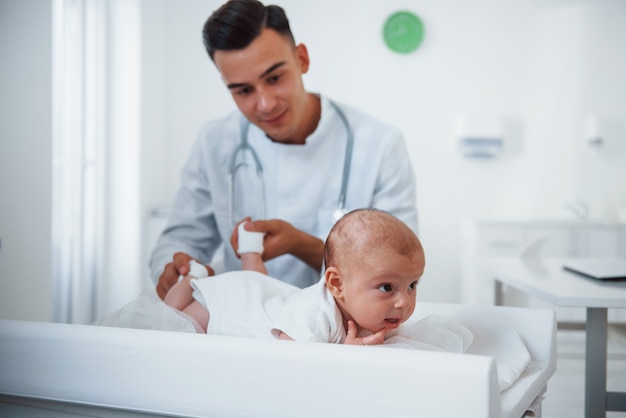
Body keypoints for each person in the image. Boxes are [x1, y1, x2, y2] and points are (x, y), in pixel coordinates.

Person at [150, 0, 418, 300]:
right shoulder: (215, 141)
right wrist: (178, 266)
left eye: (274, 78)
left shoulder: (379, 144)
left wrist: (302, 245)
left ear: (302, 59)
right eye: (243, 90)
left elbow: (401, 265)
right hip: (240, 327)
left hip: (341, 336)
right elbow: (182, 237)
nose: (265, 104)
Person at [164, 209, 425, 345]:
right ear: (336, 284)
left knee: (258, 285)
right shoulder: (313, 315)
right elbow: (290, 363)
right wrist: (346, 358)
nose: (404, 302)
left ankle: (250, 253)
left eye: (412, 285)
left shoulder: (379, 313)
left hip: (264, 294)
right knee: (172, 316)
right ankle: (195, 277)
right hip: (225, 307)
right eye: (387, 287)